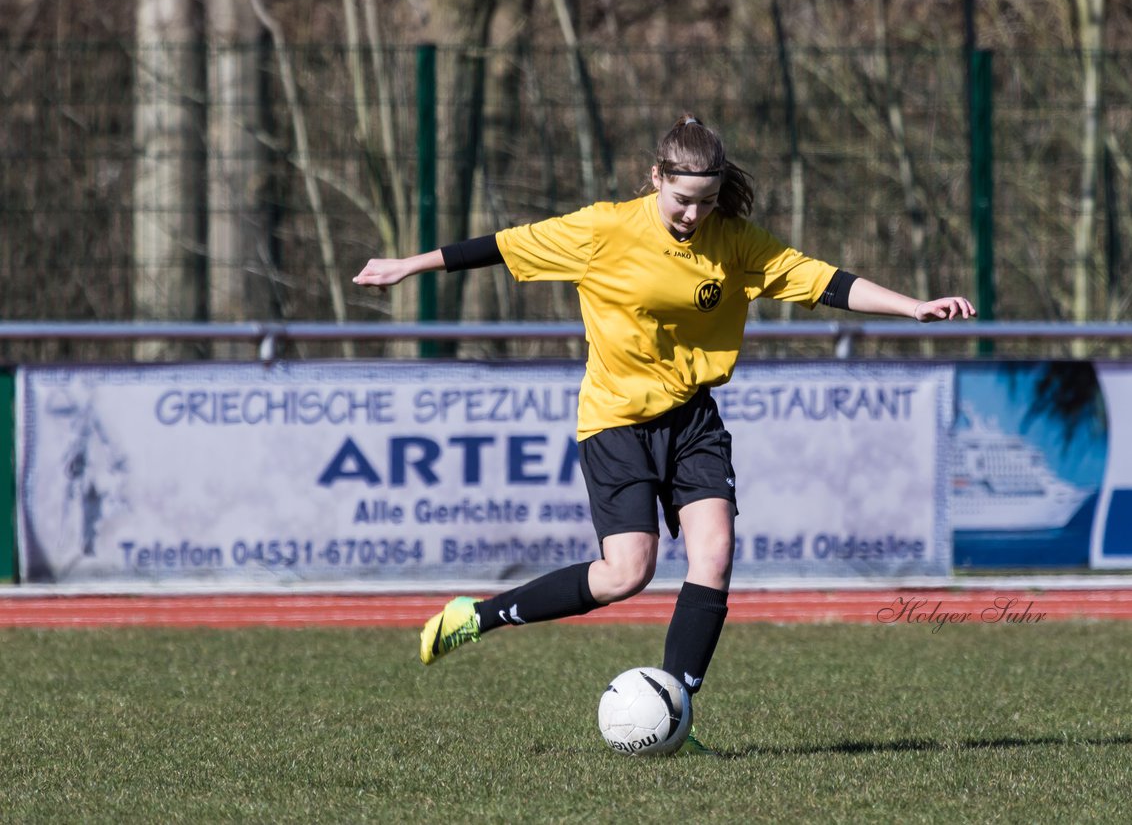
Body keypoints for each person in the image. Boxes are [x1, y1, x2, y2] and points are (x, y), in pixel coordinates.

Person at [353, 114, 974, 755]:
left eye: (706, 202)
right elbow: (503, 245)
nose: (692, 215)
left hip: (692, 418)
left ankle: (674, 709)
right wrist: (409, 265)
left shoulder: (734, 242)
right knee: (628, 573)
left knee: (716, 553)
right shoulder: (604, 229)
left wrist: (913, 306)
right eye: (682, 201)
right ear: (655, 179)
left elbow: (825, 281)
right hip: (616, 421)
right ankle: (476, 617)